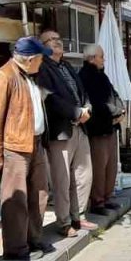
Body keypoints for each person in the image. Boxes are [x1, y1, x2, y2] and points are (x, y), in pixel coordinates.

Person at [0, 36, 54, 261]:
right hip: (15, 147)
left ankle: (33, 239)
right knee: (16, 200)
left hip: (35, 142)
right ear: (31, 59)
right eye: (41, 58)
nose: (42, 62)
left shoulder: (29, 75)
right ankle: (16, 248)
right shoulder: (4, 77)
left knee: (39, 194)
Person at [36, 31, 96, 238]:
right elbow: (50, 99)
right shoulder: (42, 68)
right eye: (52, 40)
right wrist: (76, 112)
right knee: (62, 179)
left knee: (84, 173)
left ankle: (79, 215)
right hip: (61, 130)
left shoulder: (67, 65)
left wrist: (86, 107)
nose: (57, 41)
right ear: (43, 46)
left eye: (58, 38)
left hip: (81, 127)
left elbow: (82, 91)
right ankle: (63, 222)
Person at [80, 44, 124, 216]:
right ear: (92, 58)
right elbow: (96, 102)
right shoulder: (85, 76)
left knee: (111, 165)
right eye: (101, 57)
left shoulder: (101, 74)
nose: (103, 60)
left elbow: (114, 94)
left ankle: (107, 197)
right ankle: (97, 201)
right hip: (98, 128)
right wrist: (116, 111)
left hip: (110, 125)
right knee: (99, 166)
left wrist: (121, 109)